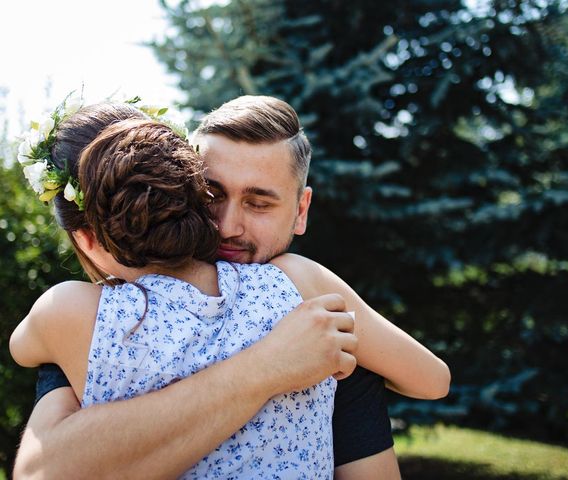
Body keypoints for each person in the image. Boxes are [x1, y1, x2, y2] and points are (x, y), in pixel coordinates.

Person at [12, 98, 449, 478]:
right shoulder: (304, 291)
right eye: (211, 194)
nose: (225, 226)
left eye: (258, 203)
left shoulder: (78, 317)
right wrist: (270, 365)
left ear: (301, 211)